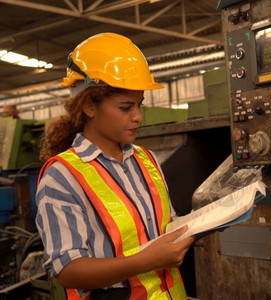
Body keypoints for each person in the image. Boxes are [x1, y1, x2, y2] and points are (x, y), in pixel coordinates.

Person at [35, 32, 195, 299]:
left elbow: (165, 228)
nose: (138, 116)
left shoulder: (146, 159)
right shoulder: (62, 176)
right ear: (88, 106)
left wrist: (203, 224)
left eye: (139, 105)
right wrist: (147, 260)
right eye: (125, 107)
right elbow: (68, 269)